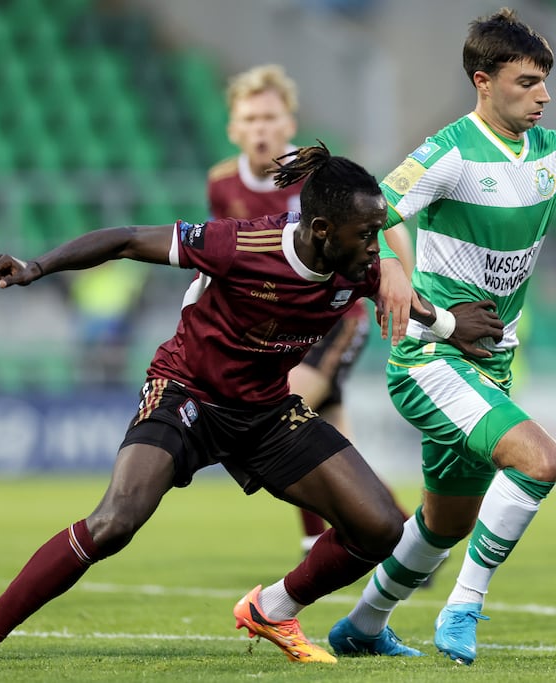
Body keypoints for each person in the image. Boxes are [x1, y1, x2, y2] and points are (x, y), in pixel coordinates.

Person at [0, 143, 505, 672]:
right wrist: (37, 267)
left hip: (265, 412)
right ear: (323, 229)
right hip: (186, 392)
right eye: (366, 233)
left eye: (379, 232)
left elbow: (412, 302)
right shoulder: (240, 244)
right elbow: (129, 239)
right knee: (114, 522)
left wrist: (455, 327)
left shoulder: (359, 267)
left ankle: (274, 609)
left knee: (381, 528)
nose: (375, 246)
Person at [328, 8, 556, 665]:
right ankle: (465, 605)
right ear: (484, 81)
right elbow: (369, 211)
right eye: (528, 82)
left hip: (492, 364)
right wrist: (390, 259)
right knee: (541, 460)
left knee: (445, 523)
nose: (544, 95)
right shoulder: (446, 153)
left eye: (545, 81)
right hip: (429, 358)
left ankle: (362, 624)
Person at [207, 63, 414, 555]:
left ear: (289, 123)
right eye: (250, 119)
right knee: (333, 443)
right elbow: (229, 256)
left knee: (281, 412)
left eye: (269, 117)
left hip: (336, 319)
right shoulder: (221, 184)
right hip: (281, 331)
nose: (261, 128)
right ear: (234, 128)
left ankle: (314, 542)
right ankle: (407, 541)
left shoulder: (315, 175)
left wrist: (402, 279)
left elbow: (387, 224)